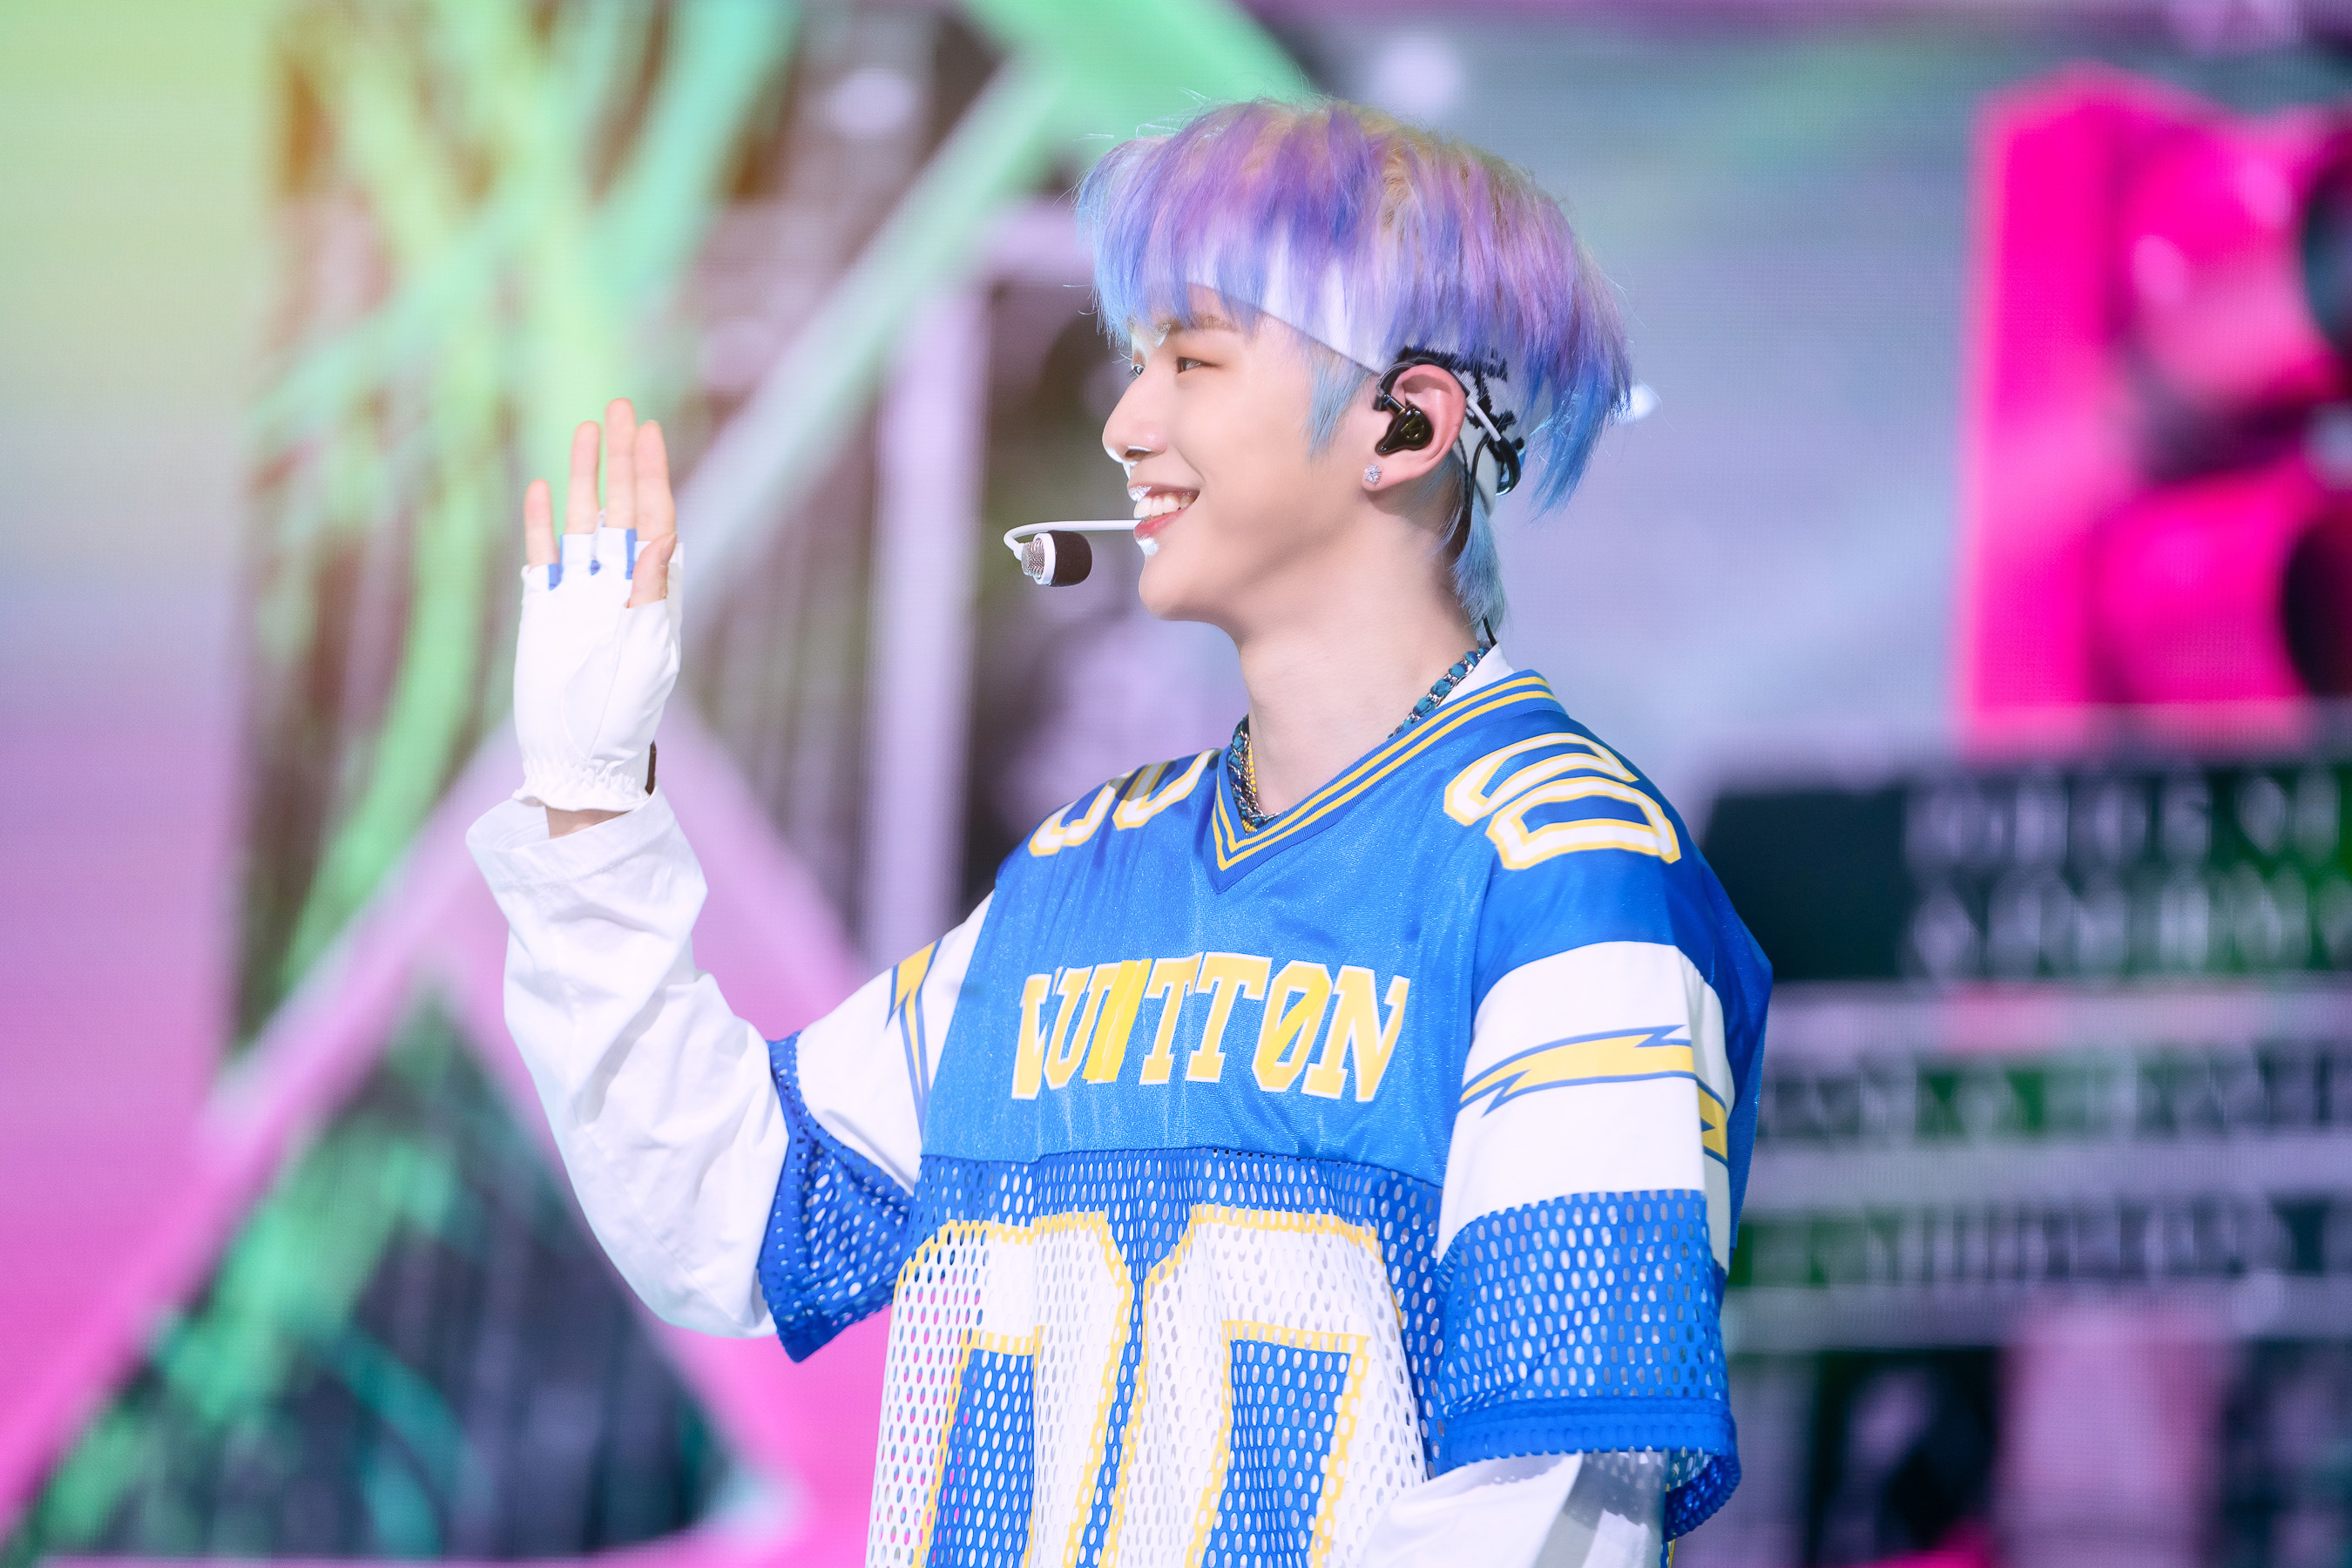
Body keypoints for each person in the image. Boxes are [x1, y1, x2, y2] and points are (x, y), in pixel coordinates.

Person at [469, 99, 1769, 1568]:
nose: (1127, 422)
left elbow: (1539, 1520)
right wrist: (587, 792)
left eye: (1192, 360)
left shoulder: (1568, 883)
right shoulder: (1081, 875)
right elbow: (725, 1212)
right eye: (1139, 359)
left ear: (1405, 422)